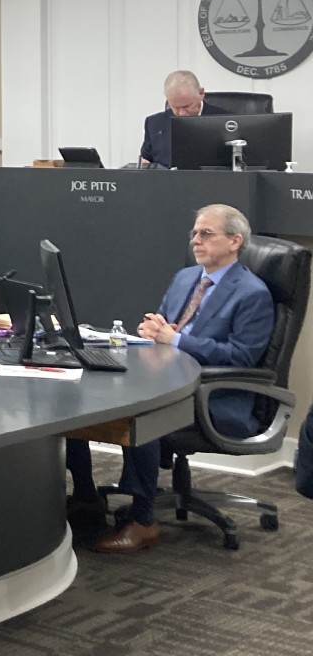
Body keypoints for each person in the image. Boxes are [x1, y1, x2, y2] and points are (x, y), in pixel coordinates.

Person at [67, 204, 274, 553]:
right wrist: (153, 330)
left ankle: (143, 521)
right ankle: (86, 496)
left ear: (235, 241)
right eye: (194, 233)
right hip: (167, 377)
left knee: (141, 414)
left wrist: (175, 340)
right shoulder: (185, 278)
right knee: (80, 394)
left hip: (216, 396)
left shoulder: (253, 293)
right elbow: (164, 326)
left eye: (206, 233)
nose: (195, 240)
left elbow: (242, 356)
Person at [139, 70, 228, 168]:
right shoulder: (154, 123)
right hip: (166, 177)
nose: (181, 113)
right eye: (175, 107)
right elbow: (146, 160)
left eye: (187, 106)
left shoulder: (225, 120)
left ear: (201, 93)